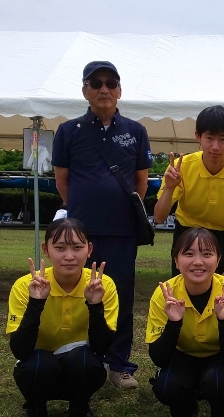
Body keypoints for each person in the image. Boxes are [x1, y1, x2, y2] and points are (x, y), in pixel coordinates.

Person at [52, 61, 153, 389]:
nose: (104, 89)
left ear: (120, 90)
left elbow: (141, 182)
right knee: (80, 291)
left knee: (121, 295)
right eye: (96, 83)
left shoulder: (135, 131)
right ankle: (83, 356)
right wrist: (81, 215)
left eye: (111, 83)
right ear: (85, 91)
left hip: (122, 230)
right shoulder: (68, 131)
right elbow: (62, 181)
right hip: (80, 233)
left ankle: (119, 364)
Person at [6, 218, 118, 417]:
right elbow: (20, 350)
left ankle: (79, 408)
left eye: (77, 247)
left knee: (87, 361)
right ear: (45, 249)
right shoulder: (25, 285)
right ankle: (35, 412)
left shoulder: (102, 284)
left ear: (89, 250)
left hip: (79, 365)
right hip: (40, 365)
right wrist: (36, 303)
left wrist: (95, 305)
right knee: (39, 364)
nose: (69, 256)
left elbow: (101, 347)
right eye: (60, 248)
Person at [145, 228, 224, 417]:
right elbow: (159, 358)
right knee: (166, 385)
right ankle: (184, 415)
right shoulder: (164, 294)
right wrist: (174, 323)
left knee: (221, 383)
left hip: (221, 355)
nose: (198, 261)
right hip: (183, 355)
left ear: (218, 259)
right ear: (176, 260)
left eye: (206, 254)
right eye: (188, 254)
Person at [153, 105, 224, 279]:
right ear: (198, 137)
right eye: (209, 138)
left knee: (222, 298)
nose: (215, 146)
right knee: (182, 295)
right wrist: (169, 187)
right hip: (186, 234)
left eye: (223, 139)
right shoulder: (180, 167)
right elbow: (159, 217)